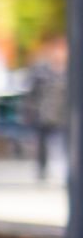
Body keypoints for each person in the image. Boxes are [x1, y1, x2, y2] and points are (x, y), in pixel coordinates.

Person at [25, 36, 68, 182]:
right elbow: (32, 92)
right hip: (44, 113)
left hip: (64, 114)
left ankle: (64, 170)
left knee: (64, 143)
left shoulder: (70, 70)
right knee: (43, 144)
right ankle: (43, 170)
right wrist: (30, 111)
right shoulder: (41, 70)